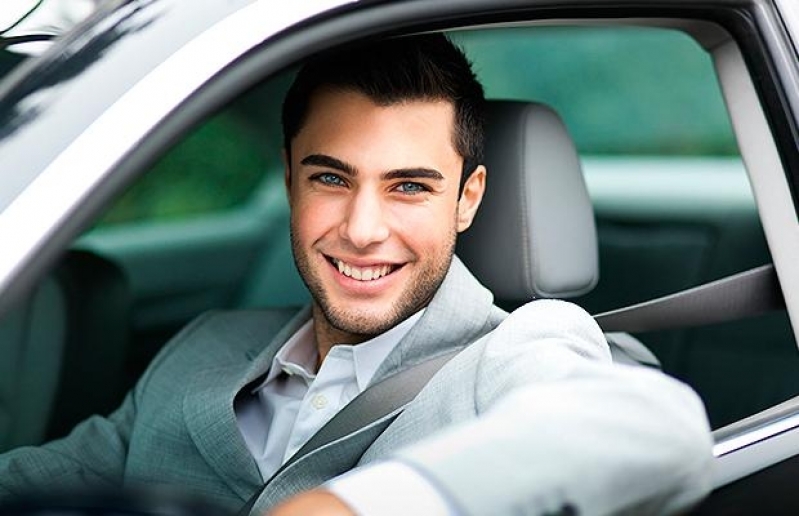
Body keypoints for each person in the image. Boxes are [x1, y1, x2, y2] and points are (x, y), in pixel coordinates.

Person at [0, 33, 714, 515]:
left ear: (466, 200)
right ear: (289, 182)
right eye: (332, 179)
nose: (363, 229)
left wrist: (351, 507)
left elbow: (655, 424)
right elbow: (45, 481)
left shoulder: (516, 350)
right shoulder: (204, 346)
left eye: (409, 186)